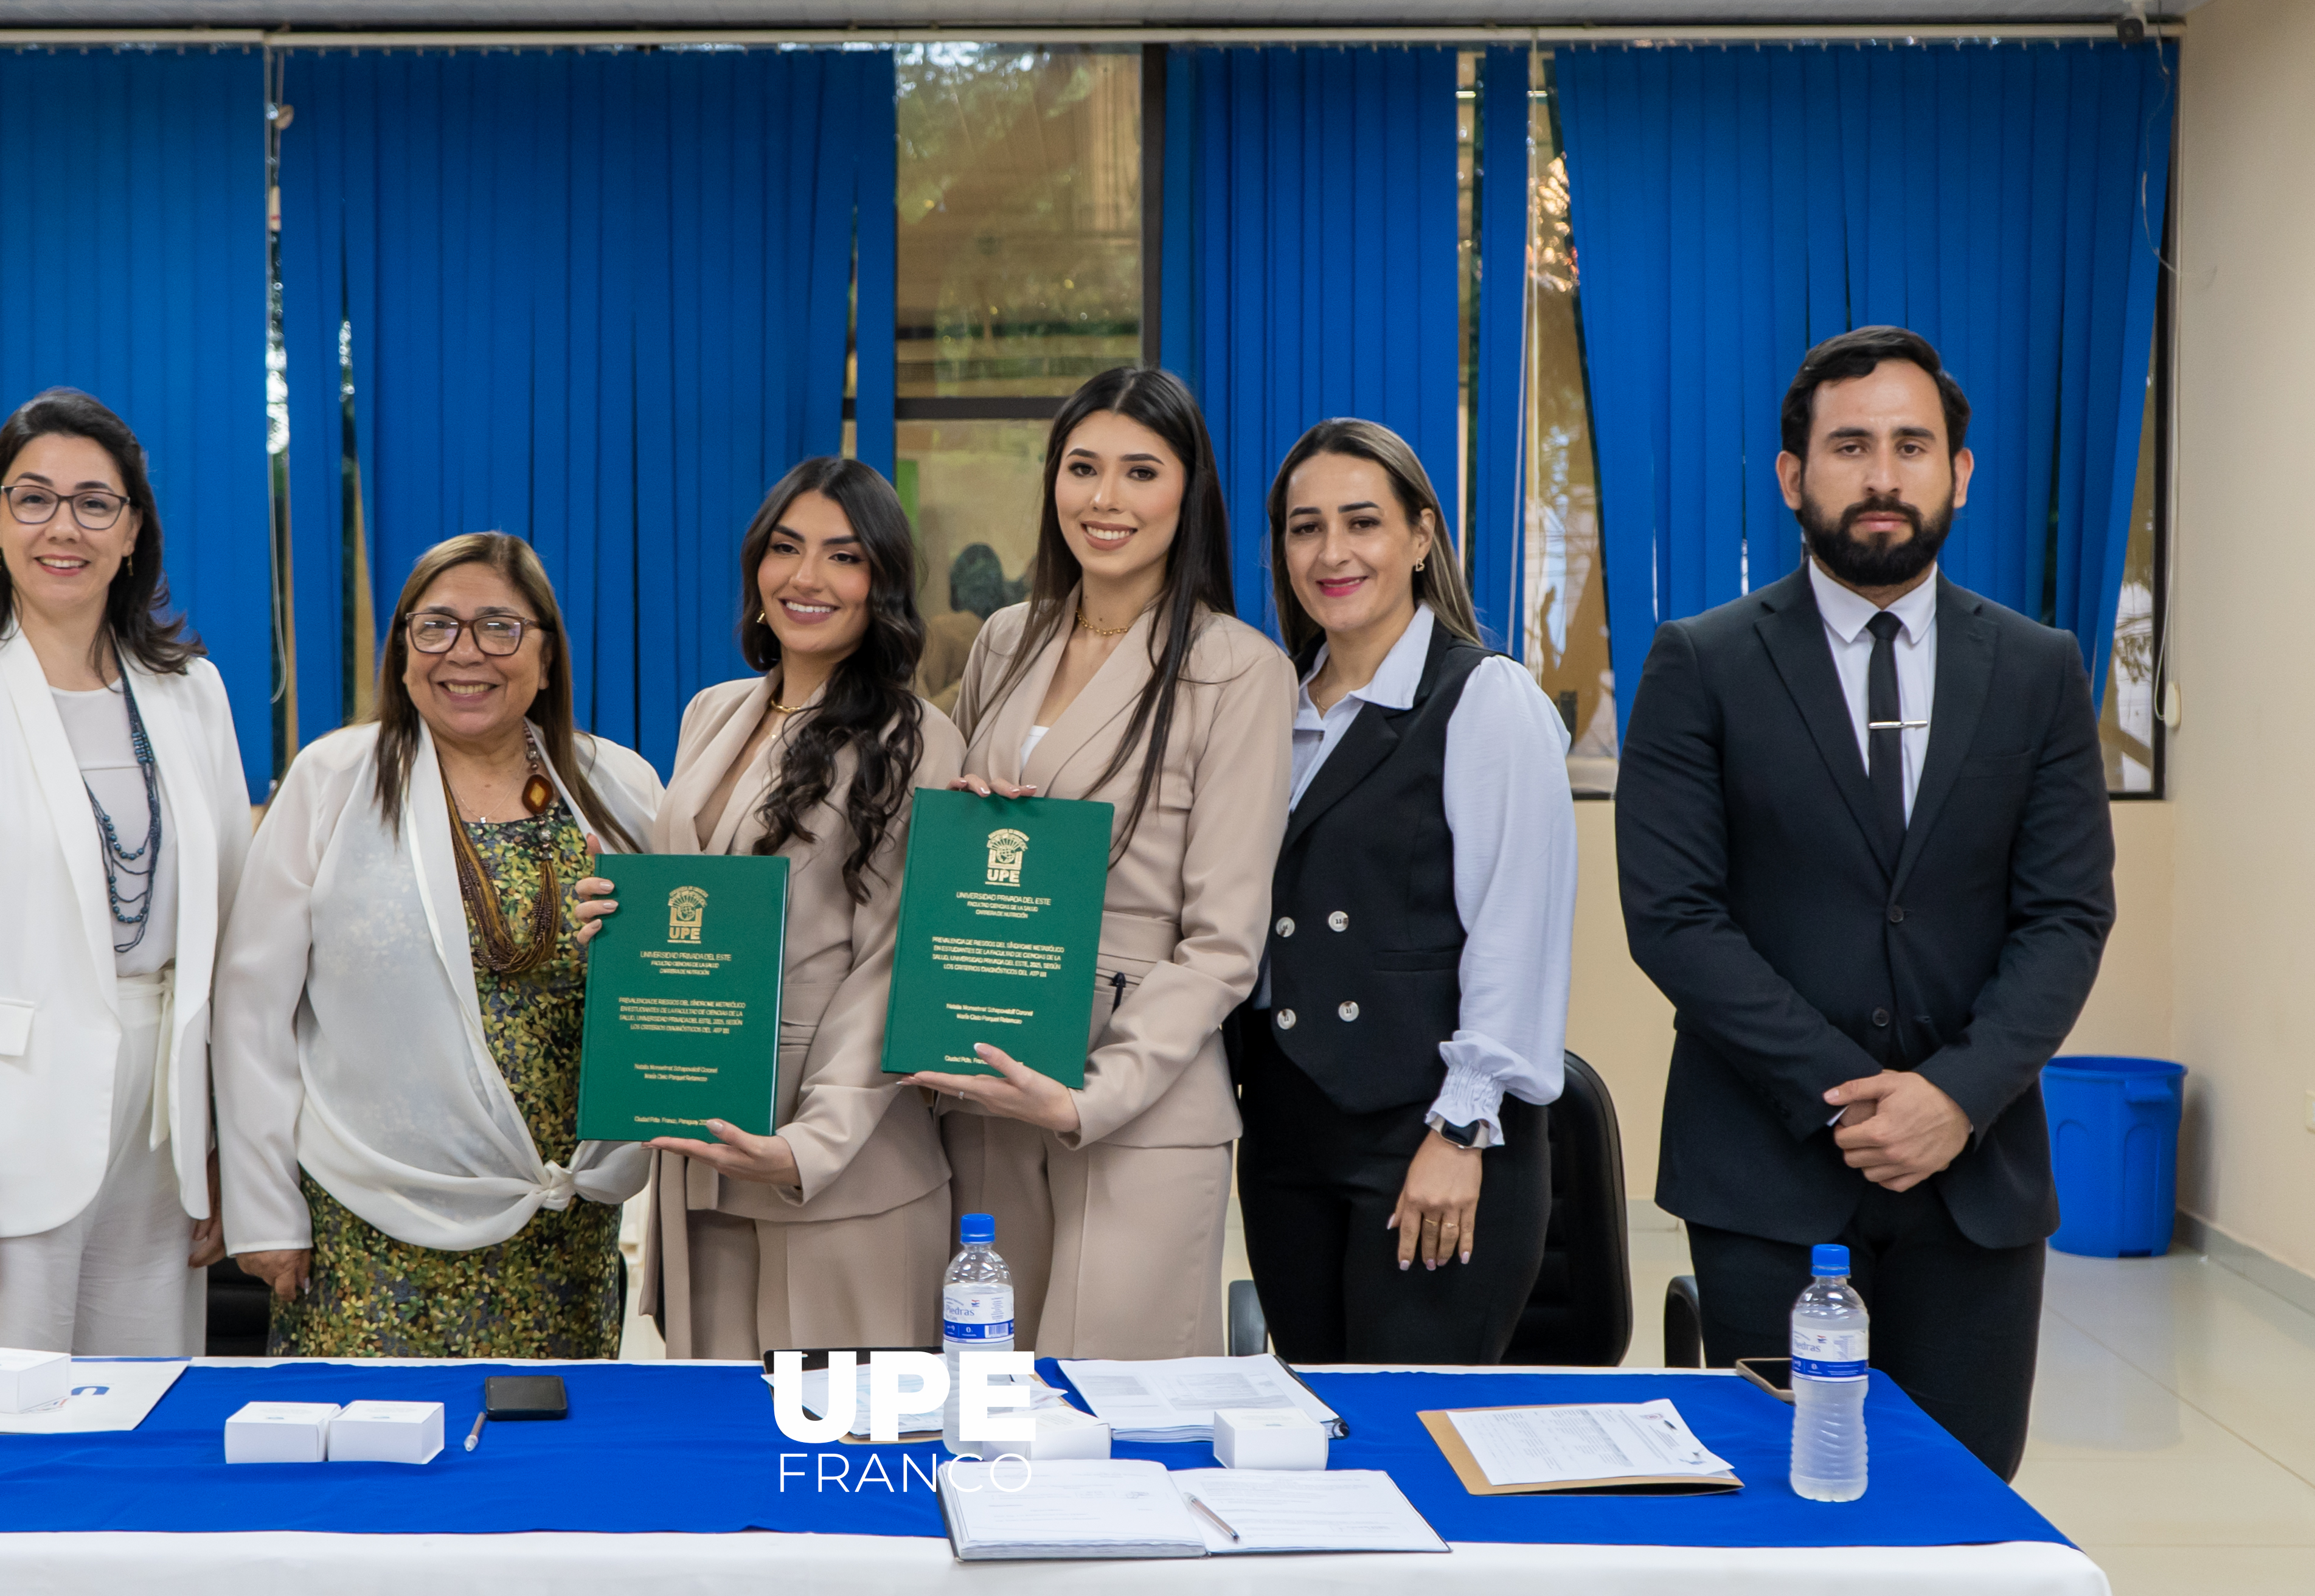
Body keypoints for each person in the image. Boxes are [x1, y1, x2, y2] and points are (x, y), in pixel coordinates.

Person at [1617, 326, 2115, 1479]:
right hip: (1764, 1177)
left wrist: (1953, 1096)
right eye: (1849, 446)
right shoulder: (1700, 663)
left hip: (1975, 1176)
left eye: (1910, 445)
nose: (1882, 475)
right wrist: (1847, 1099)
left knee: (1962, 1505)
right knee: (1785, 1517)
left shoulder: (2039, 669)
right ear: (1793, 476)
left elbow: (2065, 917)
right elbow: (1675, 917)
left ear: (1959, 472)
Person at [900, 366, 1299, 1359]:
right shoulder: (1002, 641)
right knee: (987, 1398)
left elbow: (1222, 944)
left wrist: (1090, 1097)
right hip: (987, 1073)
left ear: (1188, 491)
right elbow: (944, 849)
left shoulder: (1238, 670)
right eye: (1081, 469)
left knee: (1116, 1425)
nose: (1104, 500)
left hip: (1137, 1100)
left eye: (1139, 472)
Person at [0, 388, 252, 1355]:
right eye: (31, 499)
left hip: (159, 1137)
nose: (60, 528)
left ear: (132, 532)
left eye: (93, 503)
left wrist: (223, 1146)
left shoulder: (189, 692)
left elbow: (233, 927)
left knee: (142, 1427)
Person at [213, 532, 661, 1358]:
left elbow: (674, 983)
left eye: (498, 627)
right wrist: (263, 1208)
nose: (465, 654)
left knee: (541, 1467)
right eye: (436, 627)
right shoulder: (333, 781)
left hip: (563, 1222)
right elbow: (250, 1012)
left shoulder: (621, 788)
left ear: (548, 656)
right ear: (403, 648)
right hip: (372, 1219)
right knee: (370, 1465)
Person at [571, 458, 967, 1356]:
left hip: (835, 1164)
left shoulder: (916, 739)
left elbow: (896, 962)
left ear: (883, 584)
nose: (807, 578)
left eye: (843, 556)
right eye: (786, 549)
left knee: (835, 1464)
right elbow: (703, 907)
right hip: (700, 1145)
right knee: (719, 1461)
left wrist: (808, 1143)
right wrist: (621, 921)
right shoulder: (713, 711)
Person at [1229, 419, 1578, 1363]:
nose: (1331, 553)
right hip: (1284, 1131)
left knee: (1416, 1439)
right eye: (1304, 528)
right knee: (1321, 1431)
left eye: (1361, 523)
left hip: (1427, 1131)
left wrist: (1462, 1128)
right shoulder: (1269, 709)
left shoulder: (1485, 698)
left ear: (1421, 537)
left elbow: (1516, 930)